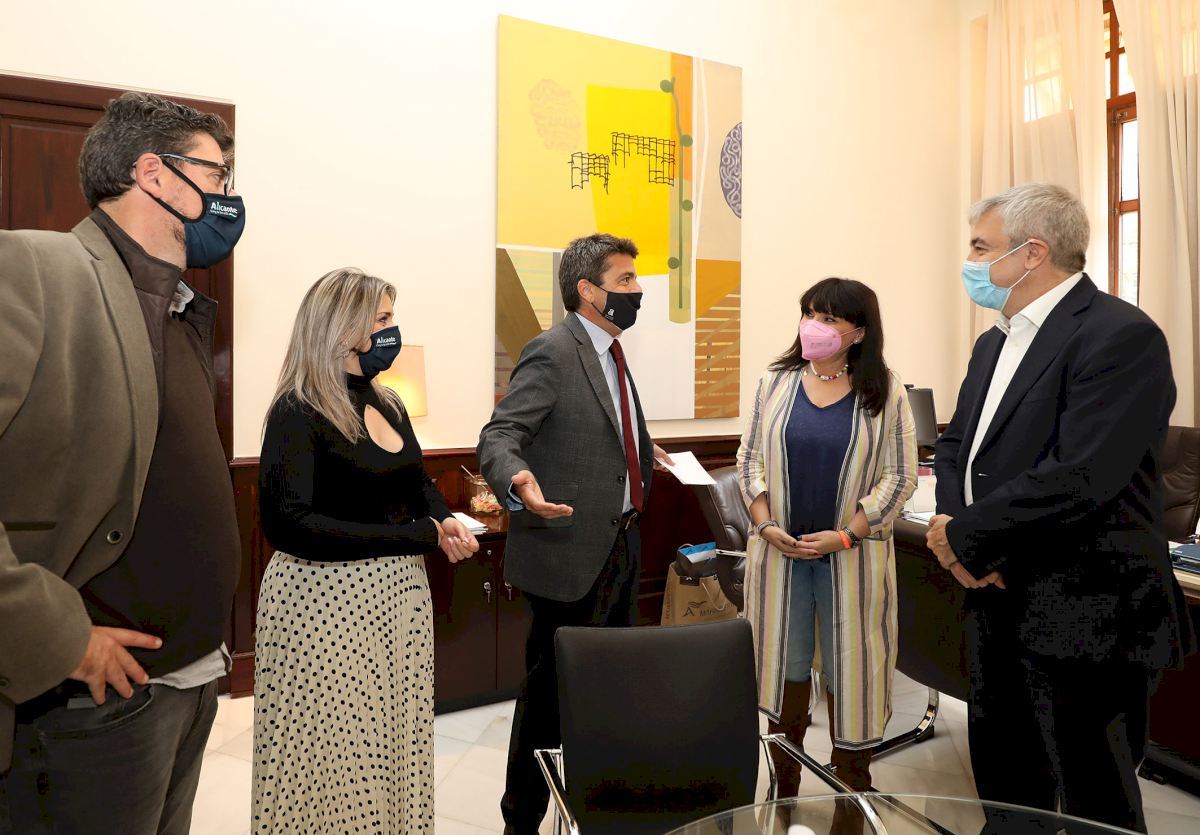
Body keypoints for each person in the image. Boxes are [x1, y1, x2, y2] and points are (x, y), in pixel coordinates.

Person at [0, 91, 245, 834]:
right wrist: (59, 639)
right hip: (90, 706)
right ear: (154, 173)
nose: (228, 196)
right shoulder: (34, 268)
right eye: (217, 174)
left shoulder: (181, 307)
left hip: (190, 681)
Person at [928, 183, 1196, 832]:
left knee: (1095, 803)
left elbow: (1082, 475)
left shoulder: (1121, 335)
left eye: (981, 247)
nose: (970, 260)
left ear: (1032, 252)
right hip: (995, 598)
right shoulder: (993, 341)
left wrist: (965, 538)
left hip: (1085, 612)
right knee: (1007, 789)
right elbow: (958, 447)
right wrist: (955, 536)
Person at [254, 267, 478, 834]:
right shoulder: (298, 409)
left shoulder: (390, 401)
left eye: (390, 318)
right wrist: (415, 537)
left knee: (390, 743)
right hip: (324, 607)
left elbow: (417, 480)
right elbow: (290, 525)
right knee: (335, 755)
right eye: (381, 319)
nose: (391, 331)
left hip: (396, 603)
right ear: (343, 326)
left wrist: (446, 519)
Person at [478, 233, 674, 835]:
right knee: (548, 701)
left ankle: (595, 809)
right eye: (625, 280)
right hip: (568, 554)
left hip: (622, 546)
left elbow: (604, 432)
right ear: (588, 290)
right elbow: (500, 435)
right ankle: (521, 822)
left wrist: (645, 452)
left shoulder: (612, 352)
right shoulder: (553, 350)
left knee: (608, 691)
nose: (638, 291)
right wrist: (519, 481)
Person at [737, 277, 917, 812]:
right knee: (784, 669)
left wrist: (846, 534)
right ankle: (784, 790)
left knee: (853, 673)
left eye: (829, 318)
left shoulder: (885, 390)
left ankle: (851, 796)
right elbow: (749, 460)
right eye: (810, 314)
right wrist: (766, 525)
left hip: (851, 559)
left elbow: (900, 475)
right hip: (781, 558)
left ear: (858, 332)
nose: (814, 326)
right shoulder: (775, 383)